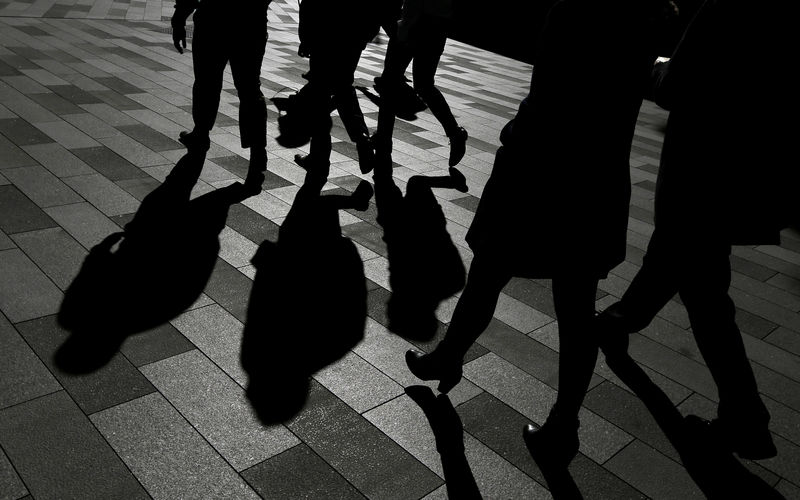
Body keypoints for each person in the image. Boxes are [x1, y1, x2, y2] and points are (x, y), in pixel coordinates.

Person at [405, 0, 674, 467]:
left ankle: (449, 357)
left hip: (540, 166)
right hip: (596, 178)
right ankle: (562, 424)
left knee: (490, 271)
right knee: (575, 305)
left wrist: (517, 135)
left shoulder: (577, 9)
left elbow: (550, 87)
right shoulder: (649, 15)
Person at [597, 0, 796, 461]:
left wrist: (653, 66)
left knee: (705, 294)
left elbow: (676, 86)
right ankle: (620, 321)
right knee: (677, 259)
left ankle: (747, 418)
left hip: (701, 172)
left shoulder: (724, 10)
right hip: (742, 173)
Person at [171, 0, 271, 191]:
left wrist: (180, 16)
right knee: (249, 88)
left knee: (206, 81)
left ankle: (201, 134)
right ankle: (258, 151)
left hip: (213, 19)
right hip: (251, 22)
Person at [372, 0, 468, 173]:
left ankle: (384, 140)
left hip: (416, 22)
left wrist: (405, 25)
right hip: (437, 25)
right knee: (423, 85)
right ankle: (454, 133)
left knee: (390, 81)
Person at [292, 0, 382, 178]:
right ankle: (362, 139)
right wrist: (366, 35)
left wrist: (306, 39)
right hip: (355, 35)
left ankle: (318, 159)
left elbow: (311, 5)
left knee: (321, 95)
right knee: (343, 86)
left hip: (325, 35)